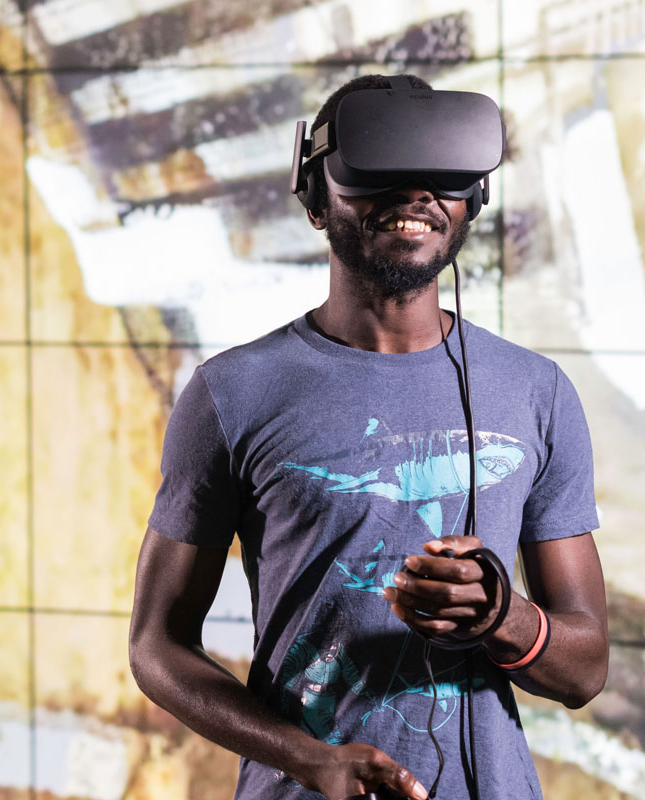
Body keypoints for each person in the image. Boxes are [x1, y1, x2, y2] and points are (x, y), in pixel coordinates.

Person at [128, 73, 609, 800]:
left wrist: (499, 616)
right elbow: (156, 647)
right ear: (316, 199)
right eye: (379, 172)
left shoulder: (535, 393)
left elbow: (584, 670)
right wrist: (305, 757)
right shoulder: (234, 392)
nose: (416, 195)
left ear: (471, 201)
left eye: (440, 178)